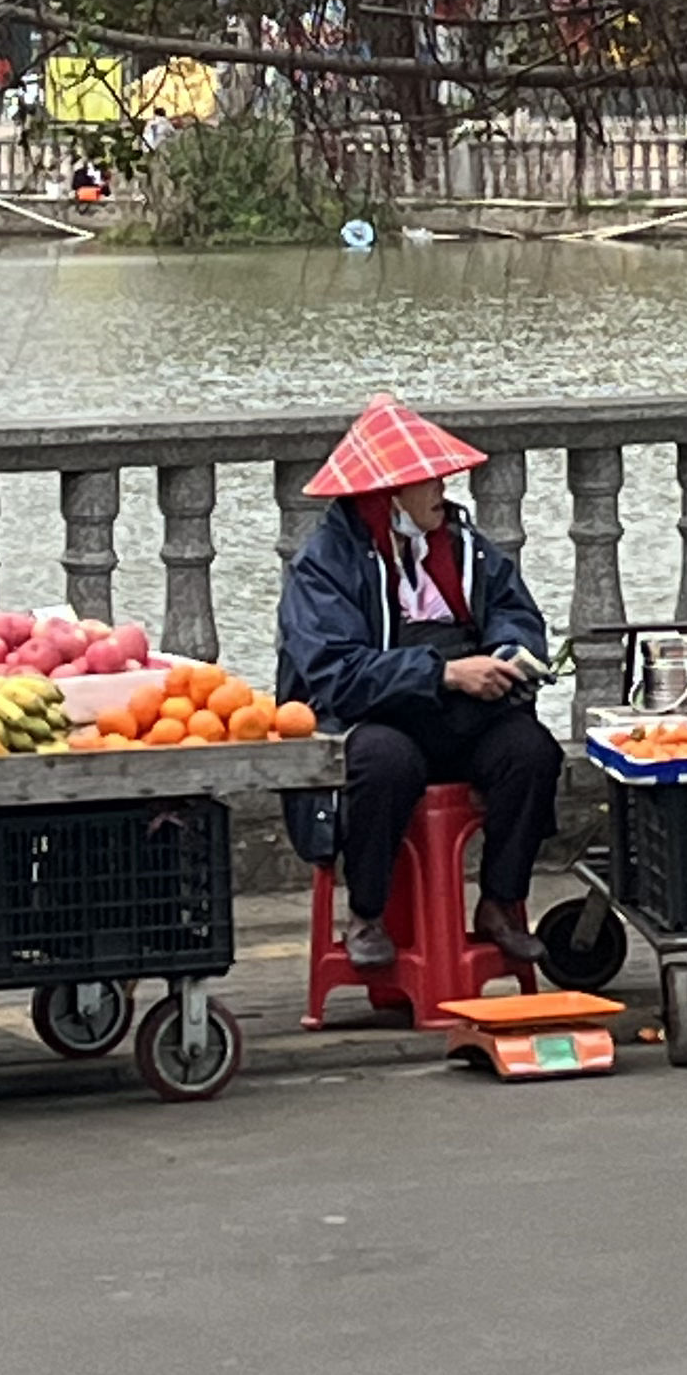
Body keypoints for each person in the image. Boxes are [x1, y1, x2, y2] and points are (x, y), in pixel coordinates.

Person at [278, 395, 563, 969]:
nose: (442, 489)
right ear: (390, 494)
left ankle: (500, 902)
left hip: (460, 719)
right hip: (370, 721)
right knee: (384, 764)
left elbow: (515, 611)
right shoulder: (325, 564)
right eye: (428, 480)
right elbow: (336, 674)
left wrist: (509, 653)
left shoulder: (463, 545)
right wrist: (444, 673)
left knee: (531, 753)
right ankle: (367, 913)